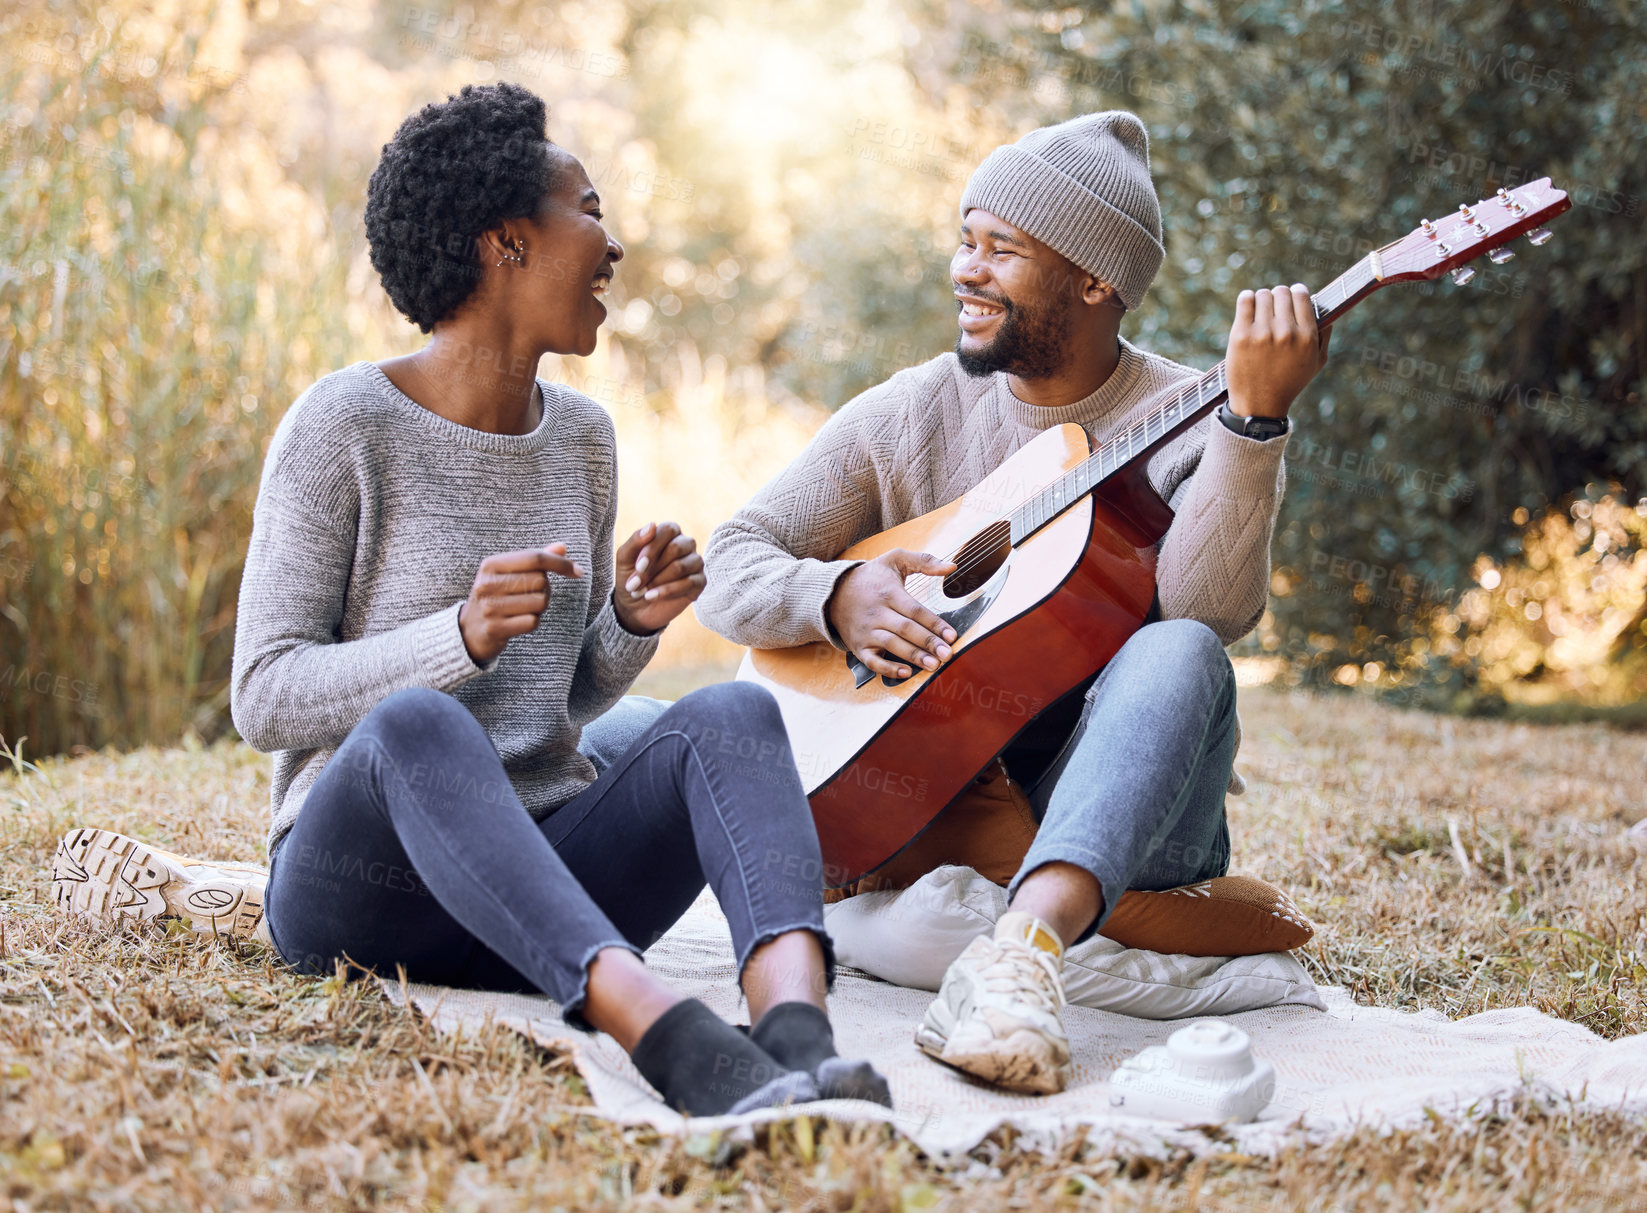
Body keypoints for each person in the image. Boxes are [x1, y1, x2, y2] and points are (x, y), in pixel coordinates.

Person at [218, 82, 886, 1116]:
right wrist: (455, 637)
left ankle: (797, 1035)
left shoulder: (582, 436)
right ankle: (669, 1036)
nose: (611, 242)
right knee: (418, 721)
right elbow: (263, 696)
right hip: (362, 895)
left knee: (732, 714)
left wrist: (626, 620)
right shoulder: (344, 425)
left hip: (538, 884)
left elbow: (558, 709)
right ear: (507, 243)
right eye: (590, 207)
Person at [695, 111, 1329, 1094]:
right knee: (662, 737)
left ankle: (1023, 953)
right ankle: (1020, 930)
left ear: (1093, 278)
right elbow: (731, 559)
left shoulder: (1202, 412)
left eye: (1002, 249)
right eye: (964, 239)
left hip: (1133, 809)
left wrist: (1254, 427)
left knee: (1183, 652)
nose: (965, 269)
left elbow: (1213, 607)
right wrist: (832, 597)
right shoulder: (911, 411)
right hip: (931, 793)